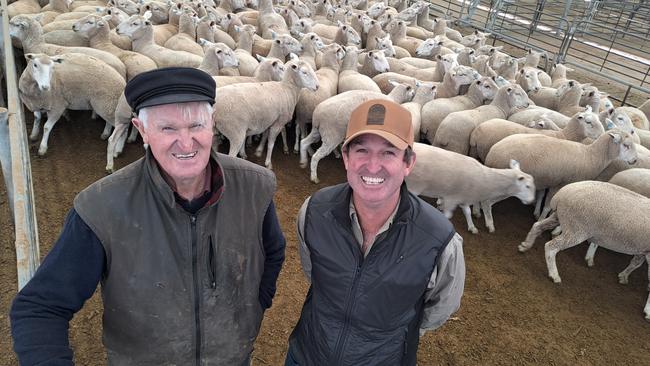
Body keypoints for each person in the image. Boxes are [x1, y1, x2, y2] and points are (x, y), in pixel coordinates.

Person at [10, 67, 286, 365]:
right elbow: (40, 307)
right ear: (141, 130)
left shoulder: (255, 186)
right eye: (168, 128)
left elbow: (273, 250)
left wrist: (253, 307)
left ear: (213, 124)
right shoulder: (102, 206)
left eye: (196, 125)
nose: (186, 142)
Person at [285, 99, 465, 366]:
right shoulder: (314, 211)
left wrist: (388, 333)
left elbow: (439, 309)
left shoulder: (439, 240)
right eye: (361, 150)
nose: (372, 166)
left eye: (388, 153)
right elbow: (314, 274)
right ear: (345, 158)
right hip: (308, 354)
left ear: (408, 162)